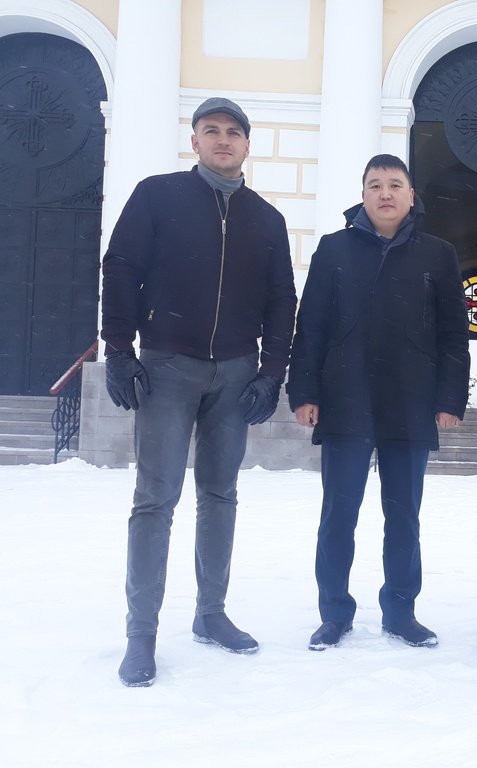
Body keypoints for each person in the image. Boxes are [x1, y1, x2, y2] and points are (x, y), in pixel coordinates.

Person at [101, 97, 298, 687]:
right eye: (211, 130)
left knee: (220, 495)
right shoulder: (157, 196)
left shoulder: (267, 219)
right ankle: (141, 634)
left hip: (236, 372)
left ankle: (211, 613)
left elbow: (281, 300)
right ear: (195, 141)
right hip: (167, 367)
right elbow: (121, 266)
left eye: (233, 132)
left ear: (247, 145)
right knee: (155, 499)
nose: (223, 140)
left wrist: (273, 372)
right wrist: (119, 349)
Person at [287, 154, 469, 651]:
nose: (385, 193)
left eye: (394, 184)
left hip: (410, 403)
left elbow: (454, 334)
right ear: (363, 195)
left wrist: (450, 397)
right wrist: (304, 392)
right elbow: (311, 327)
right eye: (375, 185)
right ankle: (334, 613)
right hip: (345, 401)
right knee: (338, 516)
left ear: (411, 195)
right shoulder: (334, 249)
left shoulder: (438, 255)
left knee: (404, 517)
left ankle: (401, 612)